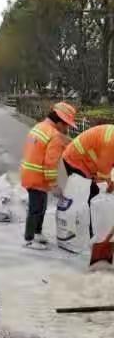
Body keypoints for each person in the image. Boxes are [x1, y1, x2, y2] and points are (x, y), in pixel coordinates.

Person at [20, 102, 77, 250]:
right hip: (38, 177)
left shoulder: (40, 127)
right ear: (59, 123)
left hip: (30, 173)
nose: (67, 129)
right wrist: (54, 185)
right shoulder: (54, 136)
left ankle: (37, 233)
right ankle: (29, 239)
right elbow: (51, 163)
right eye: (66, 126)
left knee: (41, 206)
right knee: (35, 209)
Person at [63, 124, 114, 235]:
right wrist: (110, 186)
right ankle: (78, 229)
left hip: (86, 160)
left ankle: (88, 226)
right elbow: (103, 171)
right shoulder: (111, 143)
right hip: (75, 159)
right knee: (84, 194)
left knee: (91, 192)